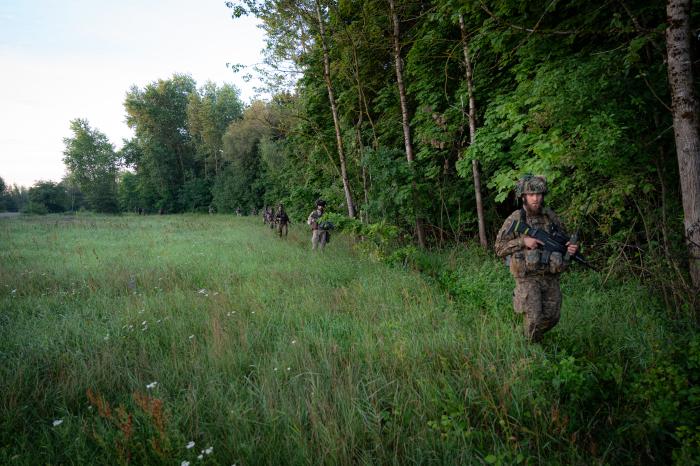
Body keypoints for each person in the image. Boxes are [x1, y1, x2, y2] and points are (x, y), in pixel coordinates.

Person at [494, 175, 579, 342]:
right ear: (523, 197)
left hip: (550, 276)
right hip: (527, 278)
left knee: (552, 317)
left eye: (539, 194)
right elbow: (499, 248)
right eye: (531, 194)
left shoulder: (550, 217)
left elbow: (563, 240)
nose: (535, 198)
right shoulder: (516, 219)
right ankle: (529, 350)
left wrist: (571, 247)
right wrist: (522, 241)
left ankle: (525, 338)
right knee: (534, 319)